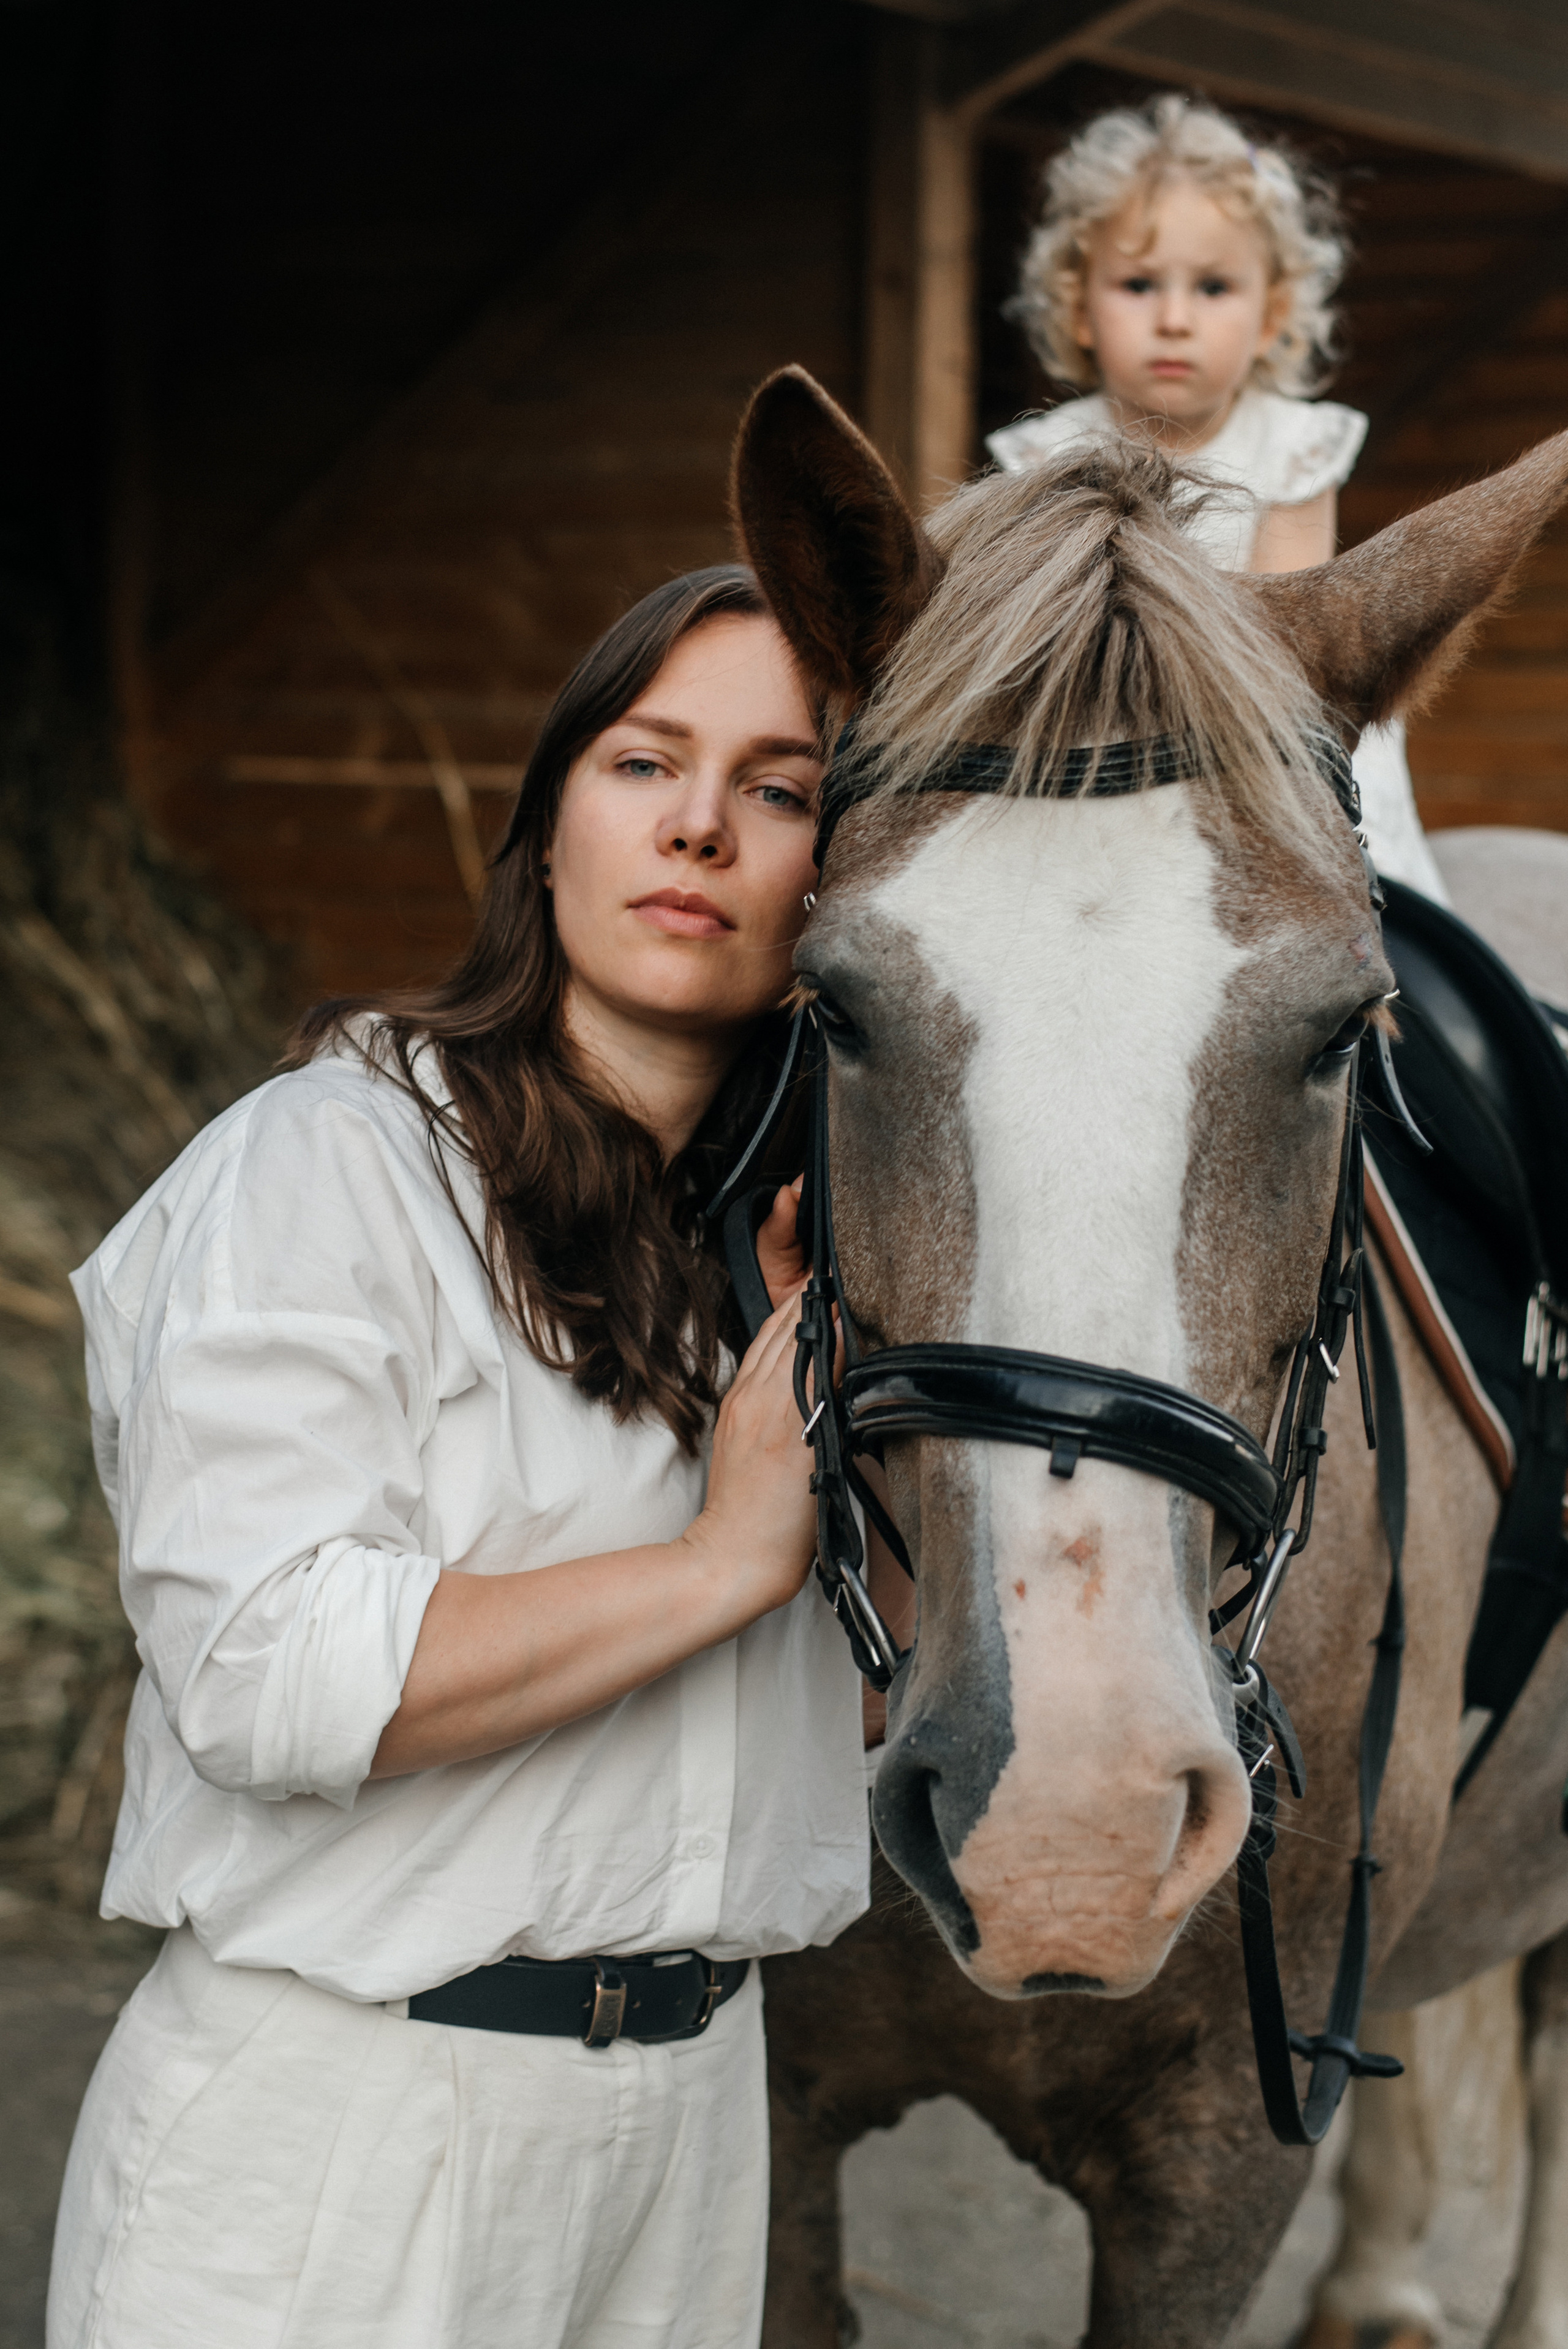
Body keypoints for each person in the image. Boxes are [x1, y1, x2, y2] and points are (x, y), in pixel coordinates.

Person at [47, 566, 873, 2349]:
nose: (705, 827)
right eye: (645, 761)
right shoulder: (331, 1166)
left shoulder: (796, 1261)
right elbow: (262, 1673)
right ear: (550, 824)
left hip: (689, 2129)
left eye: (785, 786)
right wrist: (722, 1563)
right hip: (351, 2135)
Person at [987, 91, 1450, 902]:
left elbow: (1288, 634)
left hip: (1271, 734)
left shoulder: (1292, 445)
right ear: (1079, 306)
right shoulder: (1046, 452)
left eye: (1212, 288)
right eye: (1137, 284)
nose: (1173, 319)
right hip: (1093, 734)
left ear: (1272, 314)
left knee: (1368, 911)